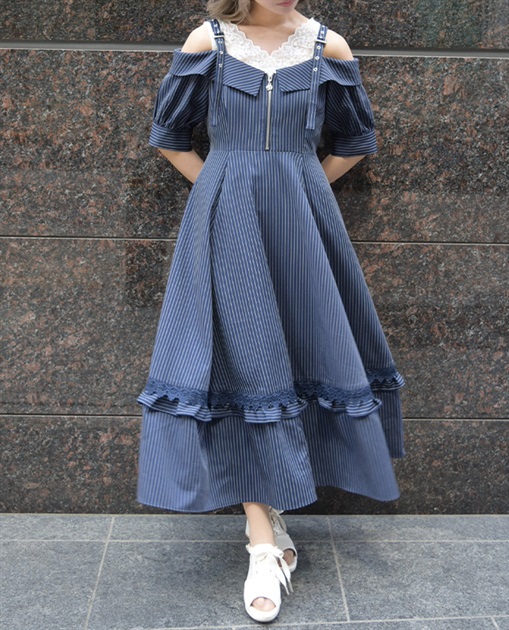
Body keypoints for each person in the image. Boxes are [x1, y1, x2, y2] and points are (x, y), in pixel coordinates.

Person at [137, 0, 405, 622]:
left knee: (307, 354)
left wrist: (300, 186)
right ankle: (262, 544)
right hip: (224, 222)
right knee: (243, 359)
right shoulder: (208, 41)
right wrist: (223, 187)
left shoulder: (328, 46)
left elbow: (356, 140)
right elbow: (169, 137)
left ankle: (269, 521)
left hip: (304, 225)